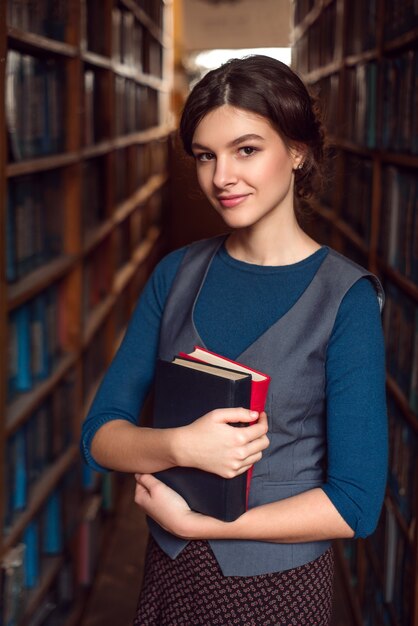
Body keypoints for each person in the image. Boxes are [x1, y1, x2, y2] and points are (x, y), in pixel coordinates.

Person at [81, 55, 388, 626]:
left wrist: (201, 525)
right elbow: (99, 435)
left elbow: (356, 504)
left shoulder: (345, 298)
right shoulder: (175, 274)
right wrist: (180, 447)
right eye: (205, 155)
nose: (221, 176)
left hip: (279, 591)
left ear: (296, 152)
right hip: (169, 576)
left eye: (246, 149)